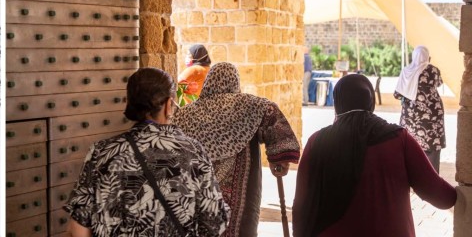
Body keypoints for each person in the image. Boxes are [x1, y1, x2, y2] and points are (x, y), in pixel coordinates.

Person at [65, 67, 229, 237]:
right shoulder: (193, 152)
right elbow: (214, 223)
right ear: (168, 105)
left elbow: (76, 230)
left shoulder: (101, 152)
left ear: (129, 103)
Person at [293, 74, 456, 237]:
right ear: (370, 101)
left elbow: (302, 203)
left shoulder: (317, 141)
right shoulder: (399, 139)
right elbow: (440, 196)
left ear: (338, 103)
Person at [174, 62, 300, 237]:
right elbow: (272, 115)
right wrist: (279, 158)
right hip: (242, 198)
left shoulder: (186, 113)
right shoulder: (252, 106)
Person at [393, 45, 446, 172]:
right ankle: (433, 180)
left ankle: (413, 179)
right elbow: (439, 83)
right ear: (428, 57)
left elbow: (397, 94)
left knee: (412, 146)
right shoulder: (434, 70)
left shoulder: (407, 71)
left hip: (412, 116)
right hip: (434, 113)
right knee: (433, 145)